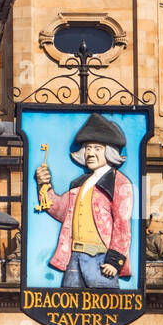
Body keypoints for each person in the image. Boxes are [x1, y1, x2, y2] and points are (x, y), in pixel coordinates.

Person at [34, 114, 132, 289]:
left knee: (105, 309)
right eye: (88, 148)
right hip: (74, 258)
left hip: (101, 260)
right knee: (68, 308)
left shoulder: (119, 182)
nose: (90, 153)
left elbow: (122, 226)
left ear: (109, 151)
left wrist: (114, 261)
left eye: (97, 148)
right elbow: (60, 210)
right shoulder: (80, 184)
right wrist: (44, 184)